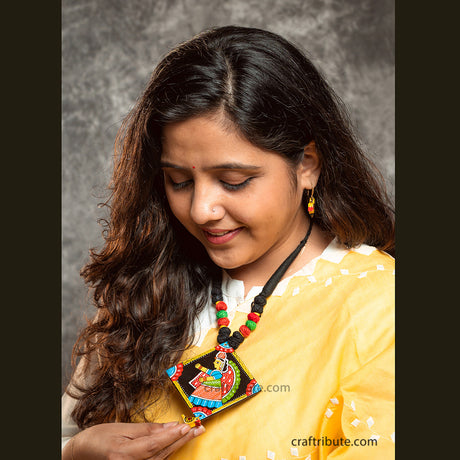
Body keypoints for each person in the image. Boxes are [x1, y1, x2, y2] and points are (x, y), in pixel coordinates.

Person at [62, 25, 395, 459]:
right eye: (178, 181)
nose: (201, 210)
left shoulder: (381, 308)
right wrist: (75, 452)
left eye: (233, 181)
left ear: (308, 165)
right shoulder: (146, 288)